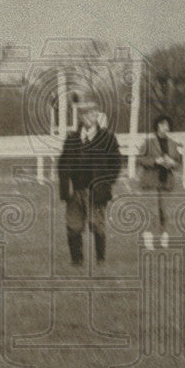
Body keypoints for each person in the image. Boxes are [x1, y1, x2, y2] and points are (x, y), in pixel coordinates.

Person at [57, 98, 122, 266]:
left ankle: (100, 260)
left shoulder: (107, 139)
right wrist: (67, 186)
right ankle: (76, 261)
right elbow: (62, 165)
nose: (91, 116)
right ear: (81, 117)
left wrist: (105, 182)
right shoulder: (71, 139)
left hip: (97, 191)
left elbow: (116, 163)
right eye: (87, 114)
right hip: (75, 191)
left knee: (97, 225)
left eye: (94, 113)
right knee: (74, 226)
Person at [137, 114, 181, 249]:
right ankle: (149, 239)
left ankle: (164, 238)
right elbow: (140, 159)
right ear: (157, 126)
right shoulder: (148, 142)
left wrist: (172, 162)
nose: (164, 127)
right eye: (162, 124)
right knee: (152, 212)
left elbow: (179, 162)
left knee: (165, 212)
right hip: (150, 181)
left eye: (167, 125)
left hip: (166, 181)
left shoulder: (173, 144)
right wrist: (155, 161)